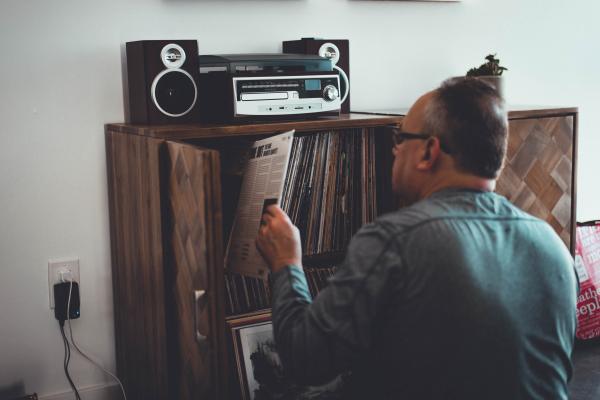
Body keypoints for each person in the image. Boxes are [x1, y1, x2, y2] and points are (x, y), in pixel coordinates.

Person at [256, 77, 578, 399]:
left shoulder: (393, 240)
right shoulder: (553, 246)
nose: (395, 149)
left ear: (428, 151)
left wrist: (286, 262)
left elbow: (305, 361)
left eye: (401, 137)